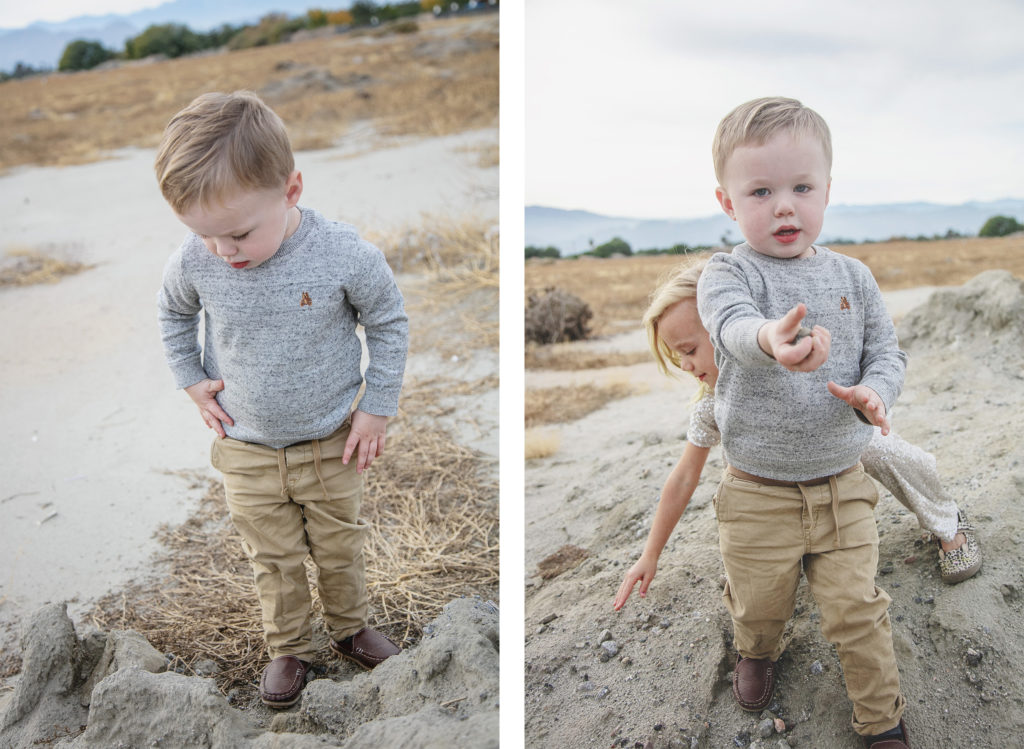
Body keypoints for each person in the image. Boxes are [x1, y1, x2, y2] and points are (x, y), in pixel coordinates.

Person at [155, 91, 409, 708]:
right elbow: (172, 312)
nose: (223, 251)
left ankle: (350, 630)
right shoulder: (198, 256)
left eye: (238, 233)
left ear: (291, 190)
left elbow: (389, 320)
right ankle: (291, 646)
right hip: (245, 445)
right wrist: (191, 379)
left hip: (331, 439)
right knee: (272, 556)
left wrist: (378, 404)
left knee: (339, 543)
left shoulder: (342, 252)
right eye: (205, 235)